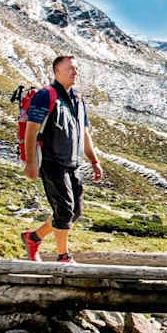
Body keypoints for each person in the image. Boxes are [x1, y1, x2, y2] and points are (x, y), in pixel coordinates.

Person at [20, 55, 103, 262]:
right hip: (52, 162)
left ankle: (33, 237)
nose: (74, 72)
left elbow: (84, 134)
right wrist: (31, 163)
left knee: (75, 211)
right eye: (69, 69)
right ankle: (63, 256)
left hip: (73, 163)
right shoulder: (45, 96)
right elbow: (31, 130)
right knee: (64, 211)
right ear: (57, 72)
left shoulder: (77, 99)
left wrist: (94, 161)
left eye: (76, 69)